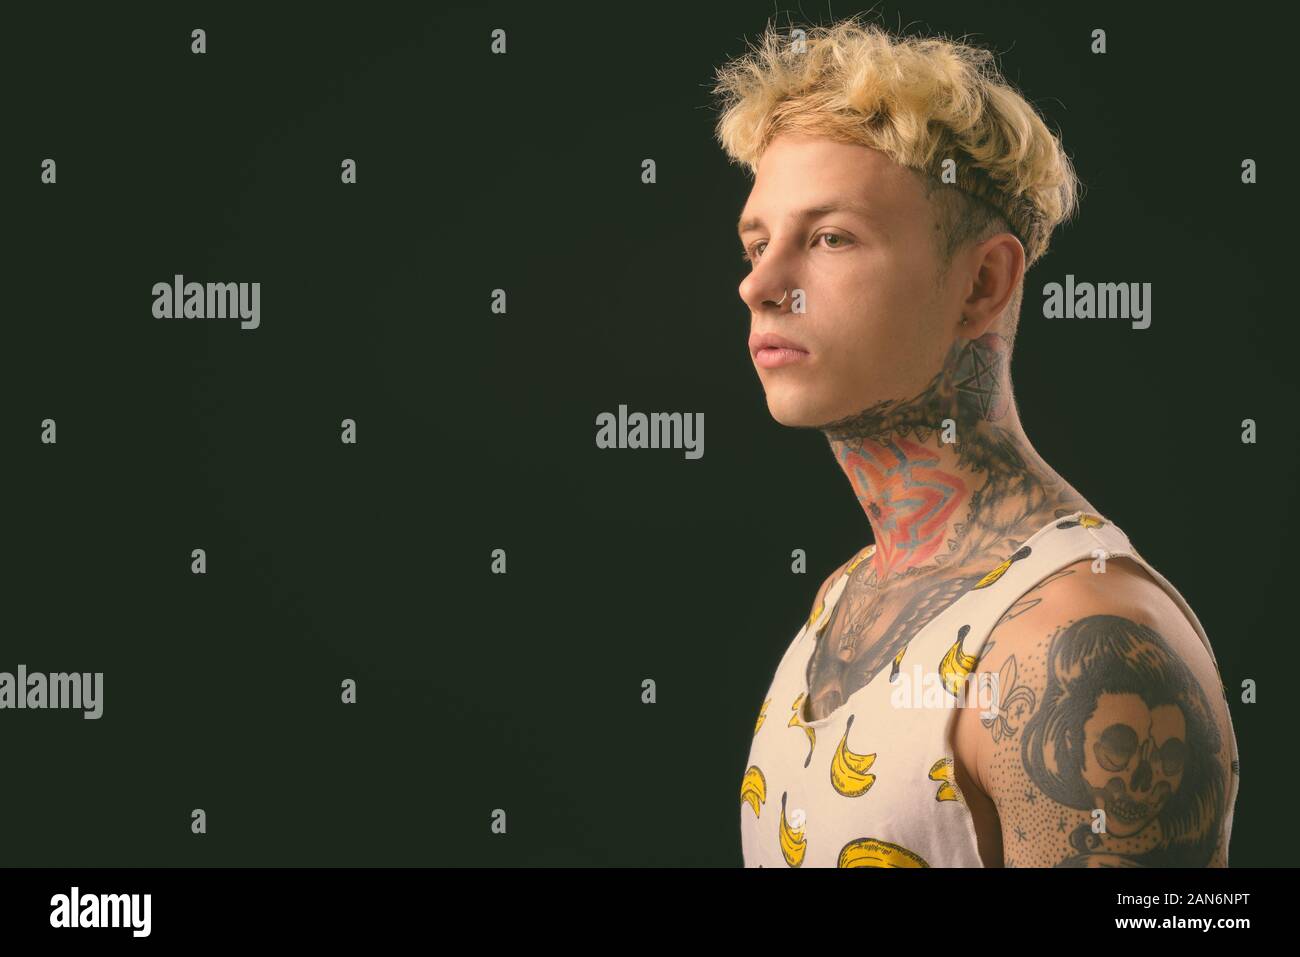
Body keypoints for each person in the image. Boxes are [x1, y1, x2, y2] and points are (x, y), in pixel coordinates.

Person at [718, 16, 1240, 867]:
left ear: (982, 283)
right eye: (756, 242)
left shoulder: (1081, 643)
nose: (760, 283)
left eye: (830, 238)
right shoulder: (848, 597)